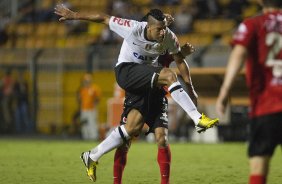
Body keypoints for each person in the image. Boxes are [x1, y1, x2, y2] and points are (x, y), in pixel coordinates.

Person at [55, 5, 219, 182]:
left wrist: (191, 88)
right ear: (148, 27)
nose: (163, 32)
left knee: (133, 130)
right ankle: (197, 119)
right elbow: (103, 17)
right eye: (159, 29)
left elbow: (179, 60)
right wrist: (74, 15)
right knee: (168, 75)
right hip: (126, 72)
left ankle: (92, 155)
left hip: (150, 83)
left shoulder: (169, 37)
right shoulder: (133, 28)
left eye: (165, 28)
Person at [216, 1, 282, 184]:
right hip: (267, 105)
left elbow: (238, 54)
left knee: (258, 166)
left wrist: (224, 91)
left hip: (266, 106)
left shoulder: (252, 24)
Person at [113, 42, 195, 184]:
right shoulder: (137, 42)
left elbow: (174, 58)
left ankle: (165, 182)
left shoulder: (165, 45)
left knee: (162, 139)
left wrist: (182, 53)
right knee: (125, 141)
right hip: (137, 97)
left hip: (157, 98)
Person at [78, 73, 101, 140]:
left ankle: (93, 137)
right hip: (84, 109)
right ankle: (86, 137)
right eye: (85, 80)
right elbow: (80, 99)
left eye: (87, 80)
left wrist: (95, 104)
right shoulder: (82, 89)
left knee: (92, 123)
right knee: (84, 124)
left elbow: (98, 98)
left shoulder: (95, 88)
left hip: (91, 109)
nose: (86, 82)